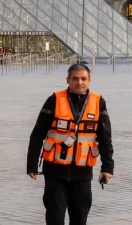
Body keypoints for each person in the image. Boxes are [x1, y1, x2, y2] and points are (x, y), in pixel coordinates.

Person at [26, 63, 113, 225]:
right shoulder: (54, 100)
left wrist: (107, 167)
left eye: (83, 79)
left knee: (80, 219)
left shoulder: (98, 102)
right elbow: (37, 134)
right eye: (75, 78)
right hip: (55, 172)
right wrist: (32, 164)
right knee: (55, 218)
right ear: (68, 80)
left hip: (83, 173)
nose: (79, 82)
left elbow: (105, 137)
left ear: (89, 80)